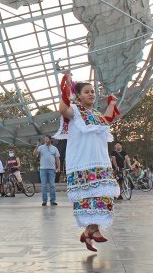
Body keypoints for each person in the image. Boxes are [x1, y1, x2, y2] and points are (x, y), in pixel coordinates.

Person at [56, 72, 120, 252]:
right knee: (88, 197)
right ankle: (92, 231)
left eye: (93, 91)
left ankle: (89, 231)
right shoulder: (75, 111)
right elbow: (62, 109)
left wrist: (112, 104)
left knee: (104, 196)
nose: (91, 94)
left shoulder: (96, 114)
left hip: (101, 162)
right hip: (83, 162)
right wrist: (67, 88)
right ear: (78, 95)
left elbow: (106, 120)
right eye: (86, 92)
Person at [34, 135, 61, 206]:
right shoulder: (41, 147)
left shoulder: (54, 148)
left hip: (52, 169)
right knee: (44, 186)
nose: (46, 140)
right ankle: (44, 201)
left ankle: (53, 200)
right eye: (45, 139)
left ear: (50, 140)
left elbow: (57, 159)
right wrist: (37, 146)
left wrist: (58, 167)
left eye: (47, 139)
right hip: (43, 169)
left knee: (52, 185)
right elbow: (34, 154)